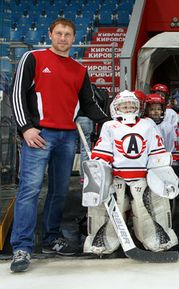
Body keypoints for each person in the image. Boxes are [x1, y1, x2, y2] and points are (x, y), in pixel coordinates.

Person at [9, 18, 110, 272]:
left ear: (73, 38)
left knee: (59, 192)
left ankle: (51, 239)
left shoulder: (79, 69)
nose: (63, 38)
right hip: (39, 135)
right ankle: (21, 246)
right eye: (59, 33)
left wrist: (115, 123)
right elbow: (17, 93)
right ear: (50, 34)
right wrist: (26, 127)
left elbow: (89, 104)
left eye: (68, 34)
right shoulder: (33, 58)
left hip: (67, 137)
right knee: (30, 190)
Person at [84, 90, 179, 255]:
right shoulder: (109, 126)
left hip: (142, 177)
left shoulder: (148, 124)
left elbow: (156, 152)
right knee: (110, 210)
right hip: (117, 178)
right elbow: (103, 152)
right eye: (124, 105)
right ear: (116, 108)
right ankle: (104, 242)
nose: (128, 108)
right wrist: (100, 168)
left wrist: (160, 171)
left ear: (138, 107)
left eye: (131, 105)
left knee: (149, 209)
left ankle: (155, 239)